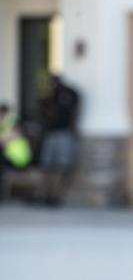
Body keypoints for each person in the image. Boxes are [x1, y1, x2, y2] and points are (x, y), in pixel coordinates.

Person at [38, 75, 80, 205]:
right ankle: (46, 194)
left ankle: (58, 195)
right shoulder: (48, 97)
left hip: (63, 132)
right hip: (50, 133)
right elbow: (43, 112)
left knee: (62, 166)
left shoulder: (69, 94)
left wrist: (73, 128)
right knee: (47, 166)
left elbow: (74, 111)